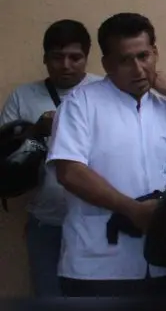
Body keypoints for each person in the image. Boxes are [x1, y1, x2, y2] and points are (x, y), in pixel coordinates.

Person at [47, 13, 166, 296]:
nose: (138, 69)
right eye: (125, 60)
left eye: (144, 56)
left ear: (155, 53)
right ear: (107, 65)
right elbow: (70, 172)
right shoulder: (80, 104)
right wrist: (133, 210)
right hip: (98, 267)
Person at [0, 20, 103, 297]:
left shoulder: (104, 90)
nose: (66, 65)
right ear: (45, 58)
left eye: (75, 57)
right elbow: (3, 157)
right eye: (57, 57)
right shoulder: (22, 96)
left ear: (87, 57)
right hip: (46, 222)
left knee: (98, 300)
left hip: (97, 223)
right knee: (49, 299)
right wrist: (35, 131)